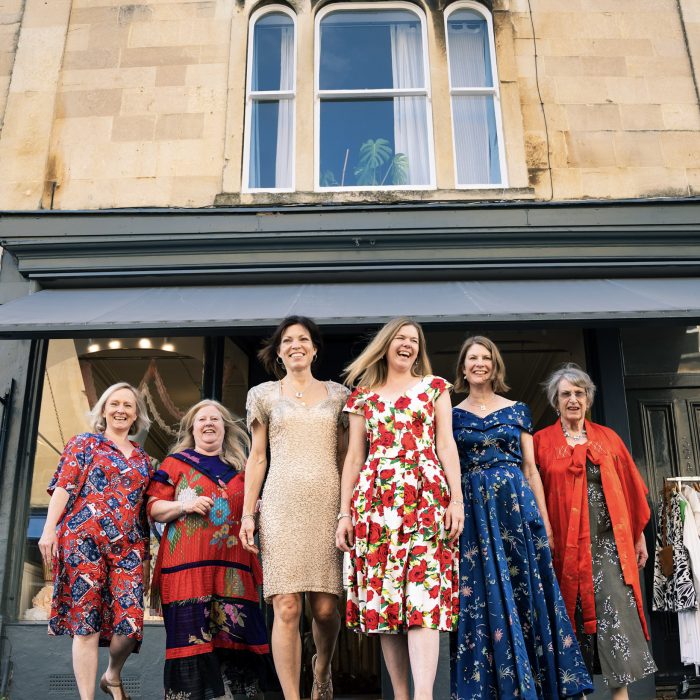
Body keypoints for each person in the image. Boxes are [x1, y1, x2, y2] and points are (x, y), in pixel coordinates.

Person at [451, 337, 593, 699]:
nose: (479, 363)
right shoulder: (450, 415)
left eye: (486, 358)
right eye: (473, 358)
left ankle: (538, 685)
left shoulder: (517, 409)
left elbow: (531, 470)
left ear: (495, 366)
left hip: (516, 509)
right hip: (475, 516)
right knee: (482, 595)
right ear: (463, 368)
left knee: (526, 590)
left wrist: (543, 519)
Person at [336, 317, 464, 700]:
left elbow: (446, 445)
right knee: (385, 602)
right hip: (375, 505)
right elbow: (354, 456)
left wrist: (456, 501)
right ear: (386, 345)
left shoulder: (435, 388)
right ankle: (402, 695)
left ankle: (423, 696)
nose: (407, 345)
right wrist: (344, 514)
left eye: (413, 340)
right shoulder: (363, 396)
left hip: (426, 499)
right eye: (400, 339)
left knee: (424, 598)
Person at [241, 316, 349, 700]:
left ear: (315, 348)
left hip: (327, 504)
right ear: (279, 350)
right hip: (281, 505)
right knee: (286, 607)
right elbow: (257, 458)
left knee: (324, 610)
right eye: (288, 340)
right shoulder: (263, 395)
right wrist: (247, 514)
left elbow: (344, 453)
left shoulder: (339, 395)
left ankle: (321, 667)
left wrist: (347, 509)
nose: (296, 345)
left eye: (303, 339)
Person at [534, 363, 656, 698]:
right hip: (564, 552)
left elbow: (630, 488)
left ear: (588, 398)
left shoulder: (608, 438)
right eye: (565, 394)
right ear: (555, 401)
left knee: (616, 623)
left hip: (609, 549)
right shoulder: (541, 443)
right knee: (572, 628)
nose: (573, 399)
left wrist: (638, 535)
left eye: (579, 393)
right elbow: (532, 496)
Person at [147, 399, 276, 700]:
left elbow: (252, 514)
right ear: (192, 428)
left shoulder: (243, 471)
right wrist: (184, 504)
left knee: (235, 640)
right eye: (202, 419)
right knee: (192, 641)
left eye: (215, 419)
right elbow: (153, 507)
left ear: (224, 428)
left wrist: (256, 510)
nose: (208, 423)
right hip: (186, 571)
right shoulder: (175, 464)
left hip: (233, 571)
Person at [38, 382, 152, 700]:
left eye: (128, 405)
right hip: (83, 542)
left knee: (130, 625)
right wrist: (49, 530)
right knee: (85, 625)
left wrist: (144, 558)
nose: (120, 410)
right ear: (103, 409)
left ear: (136, 415)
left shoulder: (144, 461)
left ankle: (112, 675)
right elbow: (63, 486)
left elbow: (142, 513)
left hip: (126, 549)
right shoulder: (85, 443)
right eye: (114, 403)